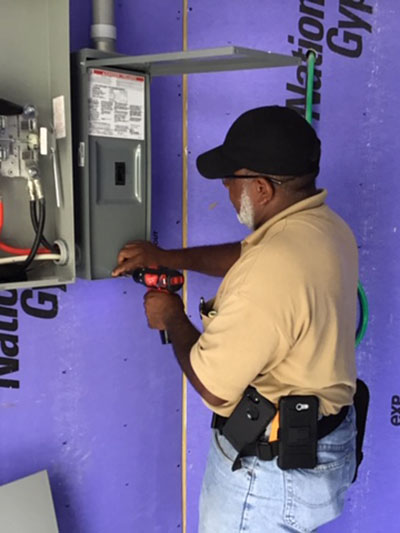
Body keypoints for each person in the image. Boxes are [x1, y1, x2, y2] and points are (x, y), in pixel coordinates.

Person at [112, 106, 359, 532]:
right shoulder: (325, 227)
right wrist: (169, 258)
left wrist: (172, 315)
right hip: (321, 450)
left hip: (267, 479)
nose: (226, 187)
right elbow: (247, 256)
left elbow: (213, 386)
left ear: (261, 188)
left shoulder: (272, 266)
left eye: (233, 177)